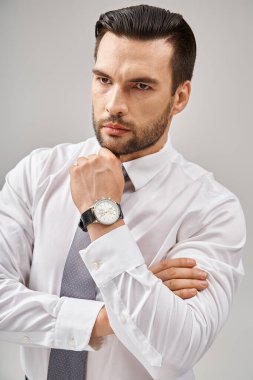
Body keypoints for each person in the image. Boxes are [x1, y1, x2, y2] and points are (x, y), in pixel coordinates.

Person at [0, 4, 246, 380]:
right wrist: (107, 317)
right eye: (103, 80)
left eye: (141, 86)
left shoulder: (211, 209)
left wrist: (102, 216)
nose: (113, 105)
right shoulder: (37, 173)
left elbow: (175, 353)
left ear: (179, 97)